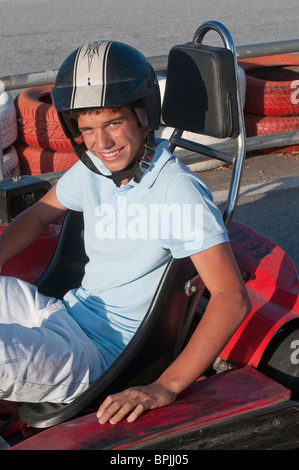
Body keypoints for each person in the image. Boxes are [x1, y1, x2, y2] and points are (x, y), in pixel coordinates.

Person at [0, 41, 251, 424]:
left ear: (142, 117)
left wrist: (166, 386)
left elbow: (231, 297)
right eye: (88, 129)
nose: (103, 143)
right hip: (63, 312)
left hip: (95, 355)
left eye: (114, 123)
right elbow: (37, 215)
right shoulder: (95, 167)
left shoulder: (177, 192)